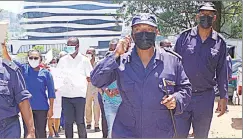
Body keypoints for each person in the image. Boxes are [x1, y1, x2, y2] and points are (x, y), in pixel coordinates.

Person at [90, 13, 192, 138]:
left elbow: (185, 89)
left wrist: (176, 99)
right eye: (138, 29)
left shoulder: (172, 61)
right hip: (126, 132)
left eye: (148, 29)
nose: (143, 34)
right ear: (132, 34)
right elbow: (96, 80)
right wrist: (115, 54)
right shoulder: (121, 60)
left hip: (160, 132)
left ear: (156, 32)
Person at [174, 2, 228, 138]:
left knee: (201, 135)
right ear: (198, 16)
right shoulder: (183, 37)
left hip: (205, 97)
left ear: (214, 18)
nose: (206, 17)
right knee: (177, 134)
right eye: (203, 14)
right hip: (182, 95)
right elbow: (173, 65)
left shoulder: (220, 42)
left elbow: (222, 71)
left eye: (210, 15)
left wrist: (223, 96)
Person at [2, 46, 56, 138]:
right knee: (28, 132)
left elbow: (51, 93)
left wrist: (51, 109)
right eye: (31, 58)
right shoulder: (23, 69)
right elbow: (9, 60)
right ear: (27, 59)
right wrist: (4, 47)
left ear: (40, 59)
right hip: (26, 108)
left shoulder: (46, 74)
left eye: (36, 58)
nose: (33, 60)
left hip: (41, 108)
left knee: (41, 132)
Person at [56, 37, 93, 138]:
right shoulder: (63, 60)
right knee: (68, 122)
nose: (69, 48)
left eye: (72, 46)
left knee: (80, 121)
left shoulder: (84, 60)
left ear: (78, 47)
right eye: (68, 45)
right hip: (66, 95)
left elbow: (90, 77)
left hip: (79, 95)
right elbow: (58, 76)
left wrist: (79, 79)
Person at [99, 38, 123, 138]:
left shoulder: (128, 61)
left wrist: (120, 90)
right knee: (111, 131)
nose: (113, 52)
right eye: (111, 49)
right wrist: (106, 90)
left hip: (126, 102)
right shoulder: (105, 62)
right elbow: (99, 79)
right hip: (110, 101)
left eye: (115, 49)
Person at [85, 48, 101, 132]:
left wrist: (93, 78)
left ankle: (97, 124)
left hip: (96, 86)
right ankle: (88, 122)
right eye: (87, 53)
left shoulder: (98, 63)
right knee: (87, 106)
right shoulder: (84, 62)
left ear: (94, 54)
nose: (88, 54)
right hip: (86, 86)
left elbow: (101, 73)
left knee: (96, 106)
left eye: (90, 53)